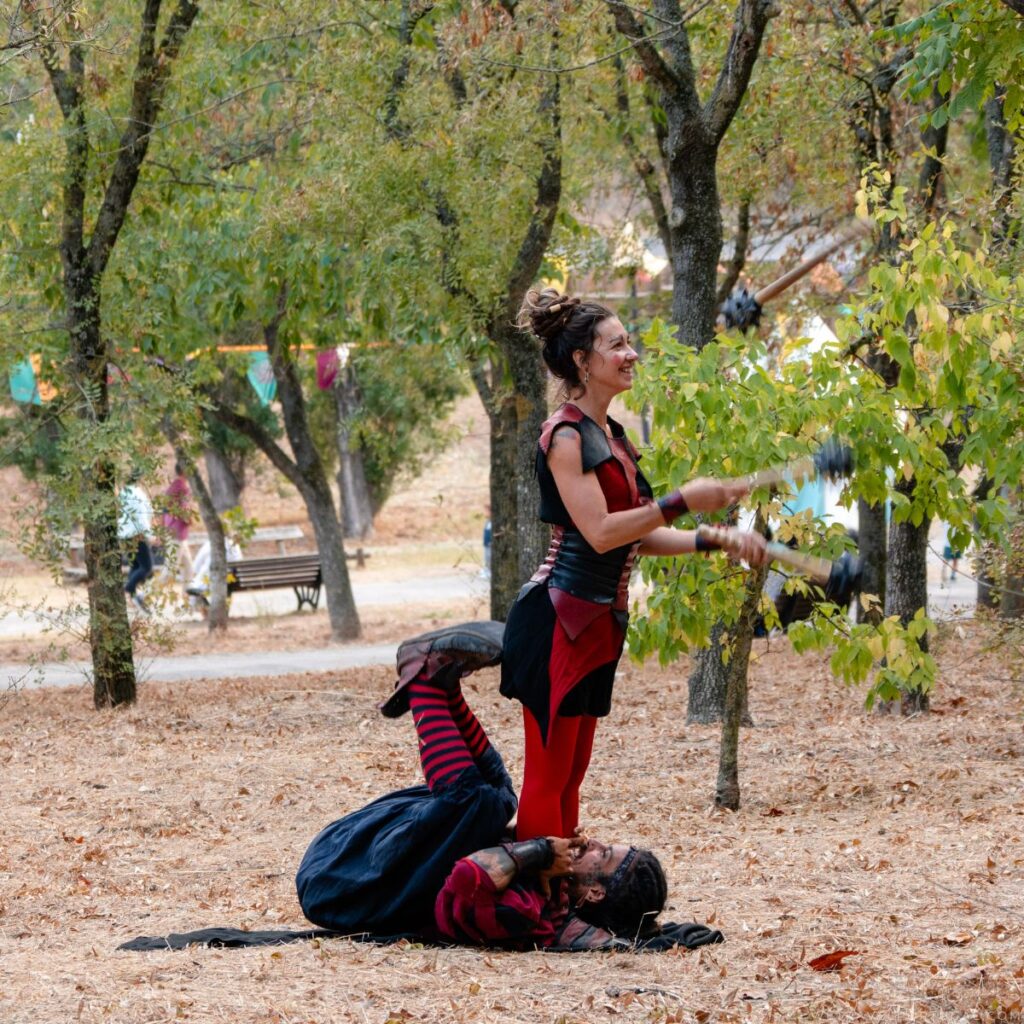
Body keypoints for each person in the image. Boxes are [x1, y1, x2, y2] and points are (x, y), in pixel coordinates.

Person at [501, 288, 769, 841]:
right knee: (549, 778)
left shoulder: (613, 438)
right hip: (557, 621)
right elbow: (601, 533)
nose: (631, 354)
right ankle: (536, 890)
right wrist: (682, 500)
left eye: (628, 342)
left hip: (598, 623)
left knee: (573, 776)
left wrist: (715, 539)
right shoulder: (565, 436)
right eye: (617, 345)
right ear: (583, 360)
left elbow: (636, 536)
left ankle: (564, 885)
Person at [297, 637, 668, 951]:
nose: (594, 842)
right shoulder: (554, 893)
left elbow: (467, 876)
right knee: (501, 798)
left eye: (604, 854)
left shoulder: (529, 916)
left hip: (340, 884)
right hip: (353, 852)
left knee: (477, 804)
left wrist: (539, 851)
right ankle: (445, 686)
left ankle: (423, 682)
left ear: (595, 894)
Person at [118, 470, 154, 615]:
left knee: (135, 565)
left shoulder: (123, 493)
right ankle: (128, 589)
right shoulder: (137, 494)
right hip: (137, 534)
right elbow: (142, 517)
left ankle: (132, 597)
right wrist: (149, 535)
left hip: (125, 534)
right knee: (146, 567)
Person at [161, 463, 194, 587]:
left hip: (175, 531)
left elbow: (166, 508)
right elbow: (183, 509)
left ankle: (189, 596)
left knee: (188, 568)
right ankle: (146, 593)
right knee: (169, 570)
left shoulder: (174, 486)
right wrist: (189, 519)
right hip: (177, 532)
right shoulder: (182, 487)